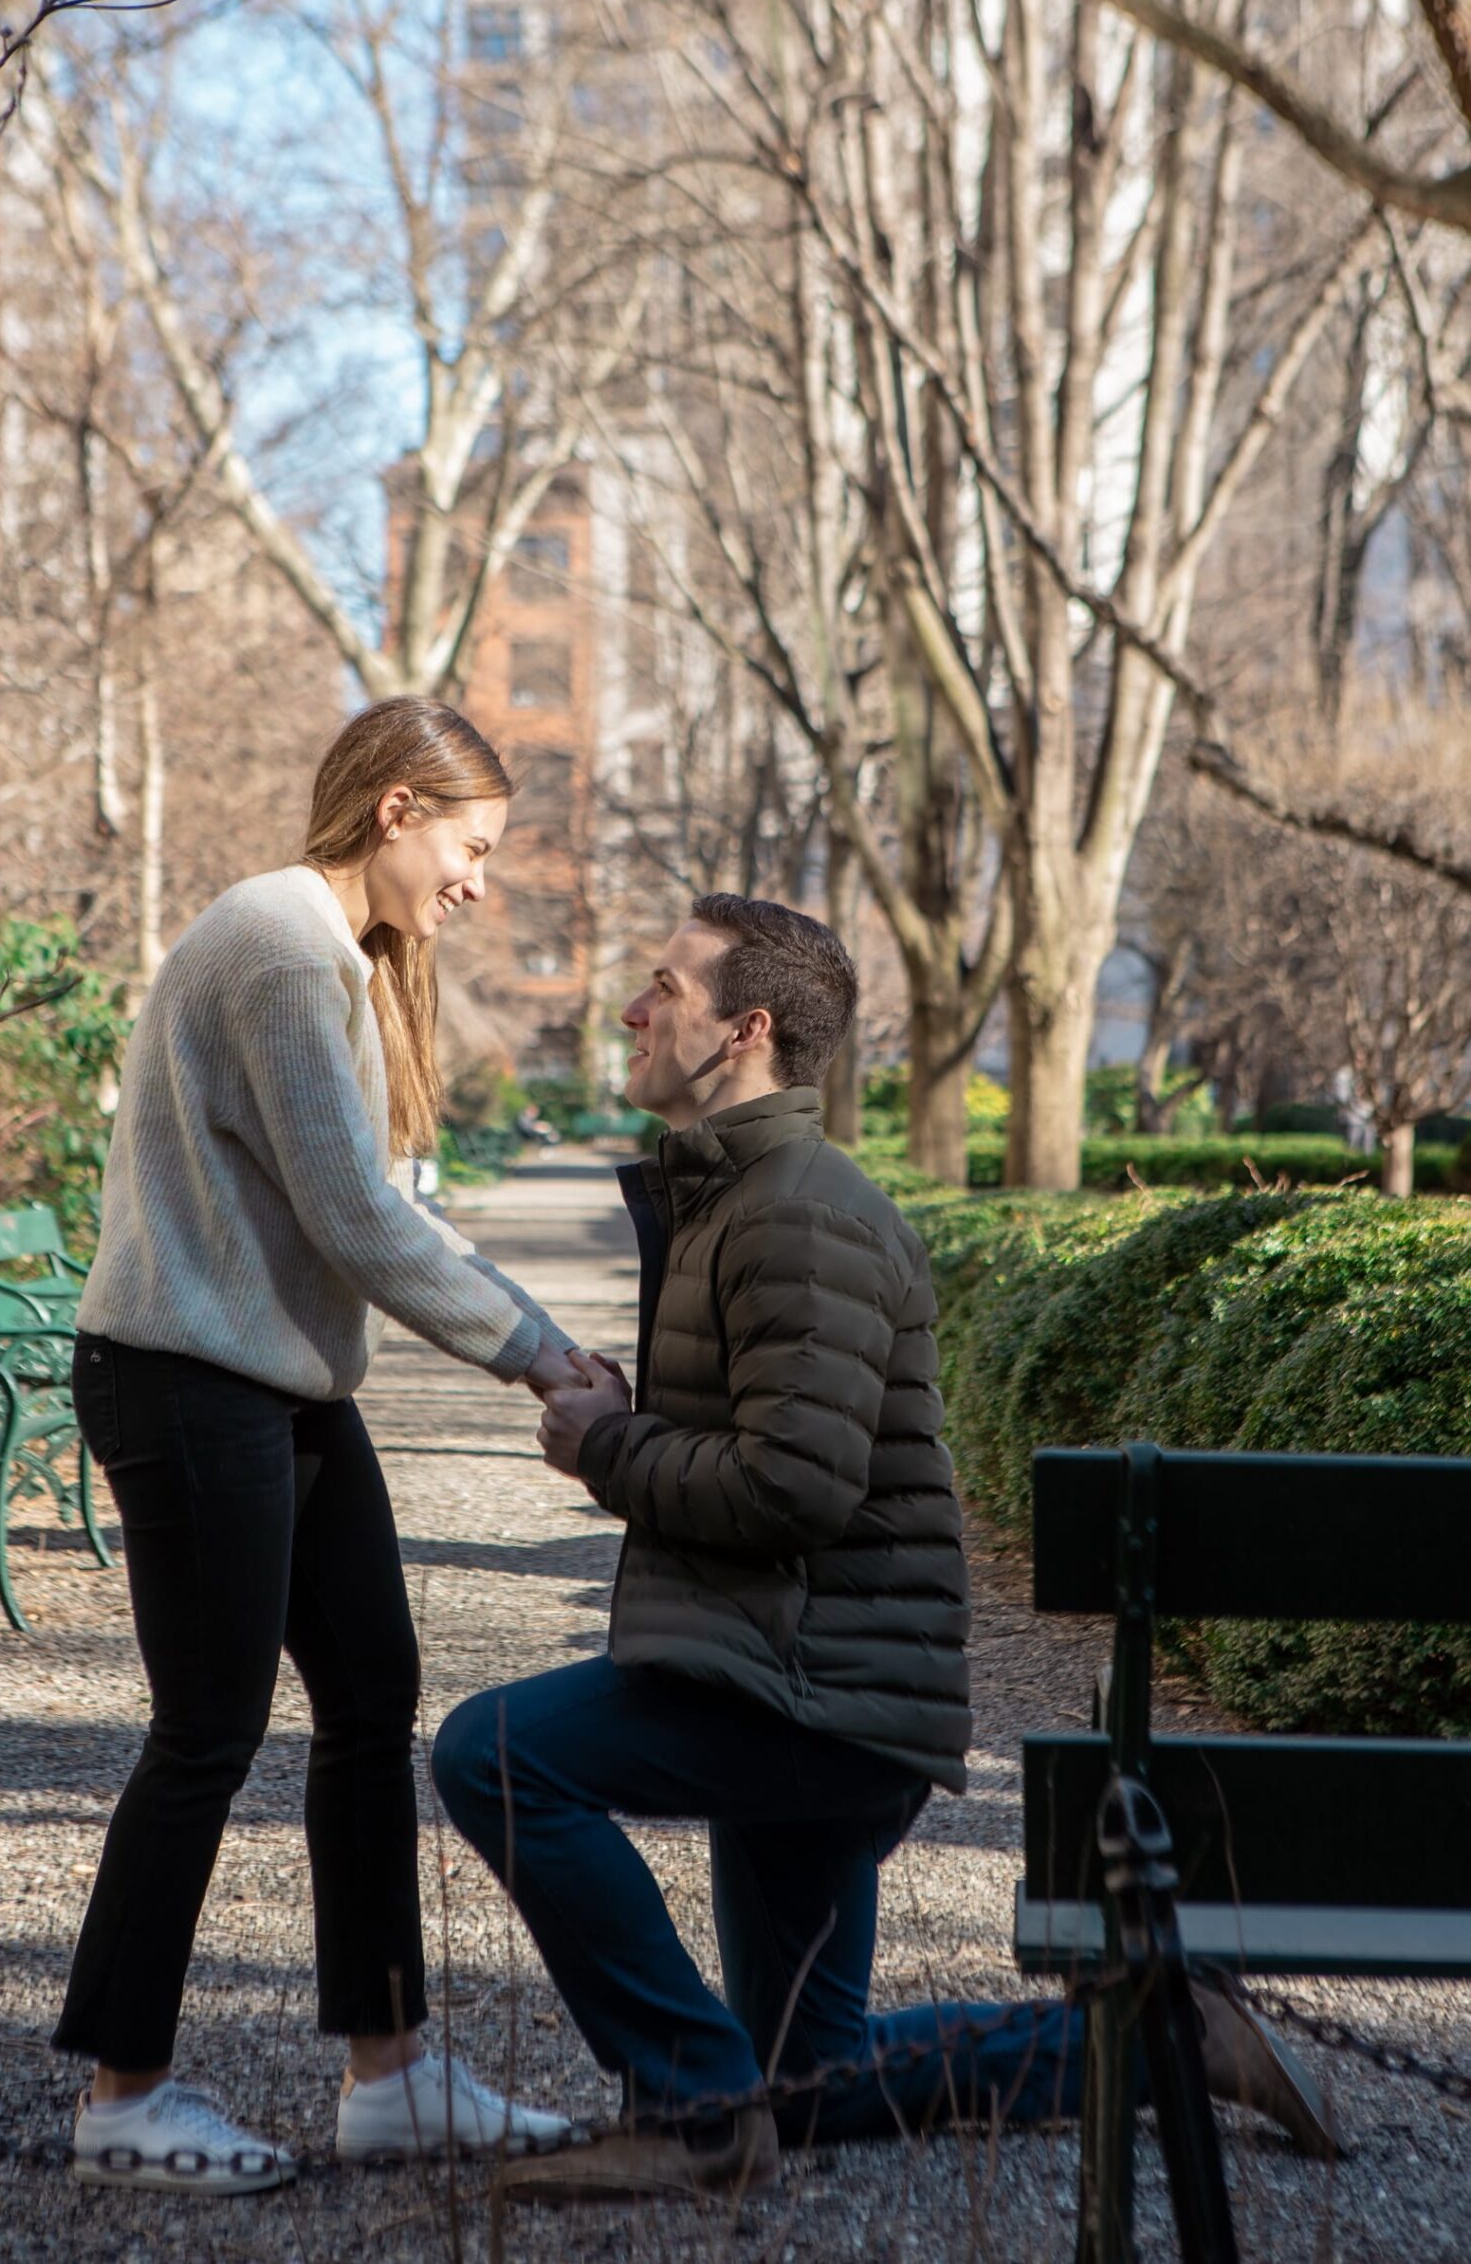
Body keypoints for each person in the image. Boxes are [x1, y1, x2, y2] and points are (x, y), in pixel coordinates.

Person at [432, 895, 1339, 2203]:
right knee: (812, 2079)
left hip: (816, 1702)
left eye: (664, 990)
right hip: (792, 1673)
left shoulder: (796, 1215)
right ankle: (1159, 2037)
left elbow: (794, 1487)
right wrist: (640, 1422)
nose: (632, 1012)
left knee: (494, 1755)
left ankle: (693, 2116)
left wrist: (609, 1447)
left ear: (743, 1031)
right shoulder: (741, 1196)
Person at [56, 697, 581, 2195]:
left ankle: (392, 2072)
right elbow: (360, 1222)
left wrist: (536, 1333)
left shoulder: (335, 953)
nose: (478, 882)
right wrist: (539, 1356)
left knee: (371, 1695)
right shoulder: (284, 945)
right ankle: (120, 2097)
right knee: (207, 1733)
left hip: (275, 1386)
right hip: (190, 1379)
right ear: (396, 810)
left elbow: (370, 1206)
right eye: (471, 847)